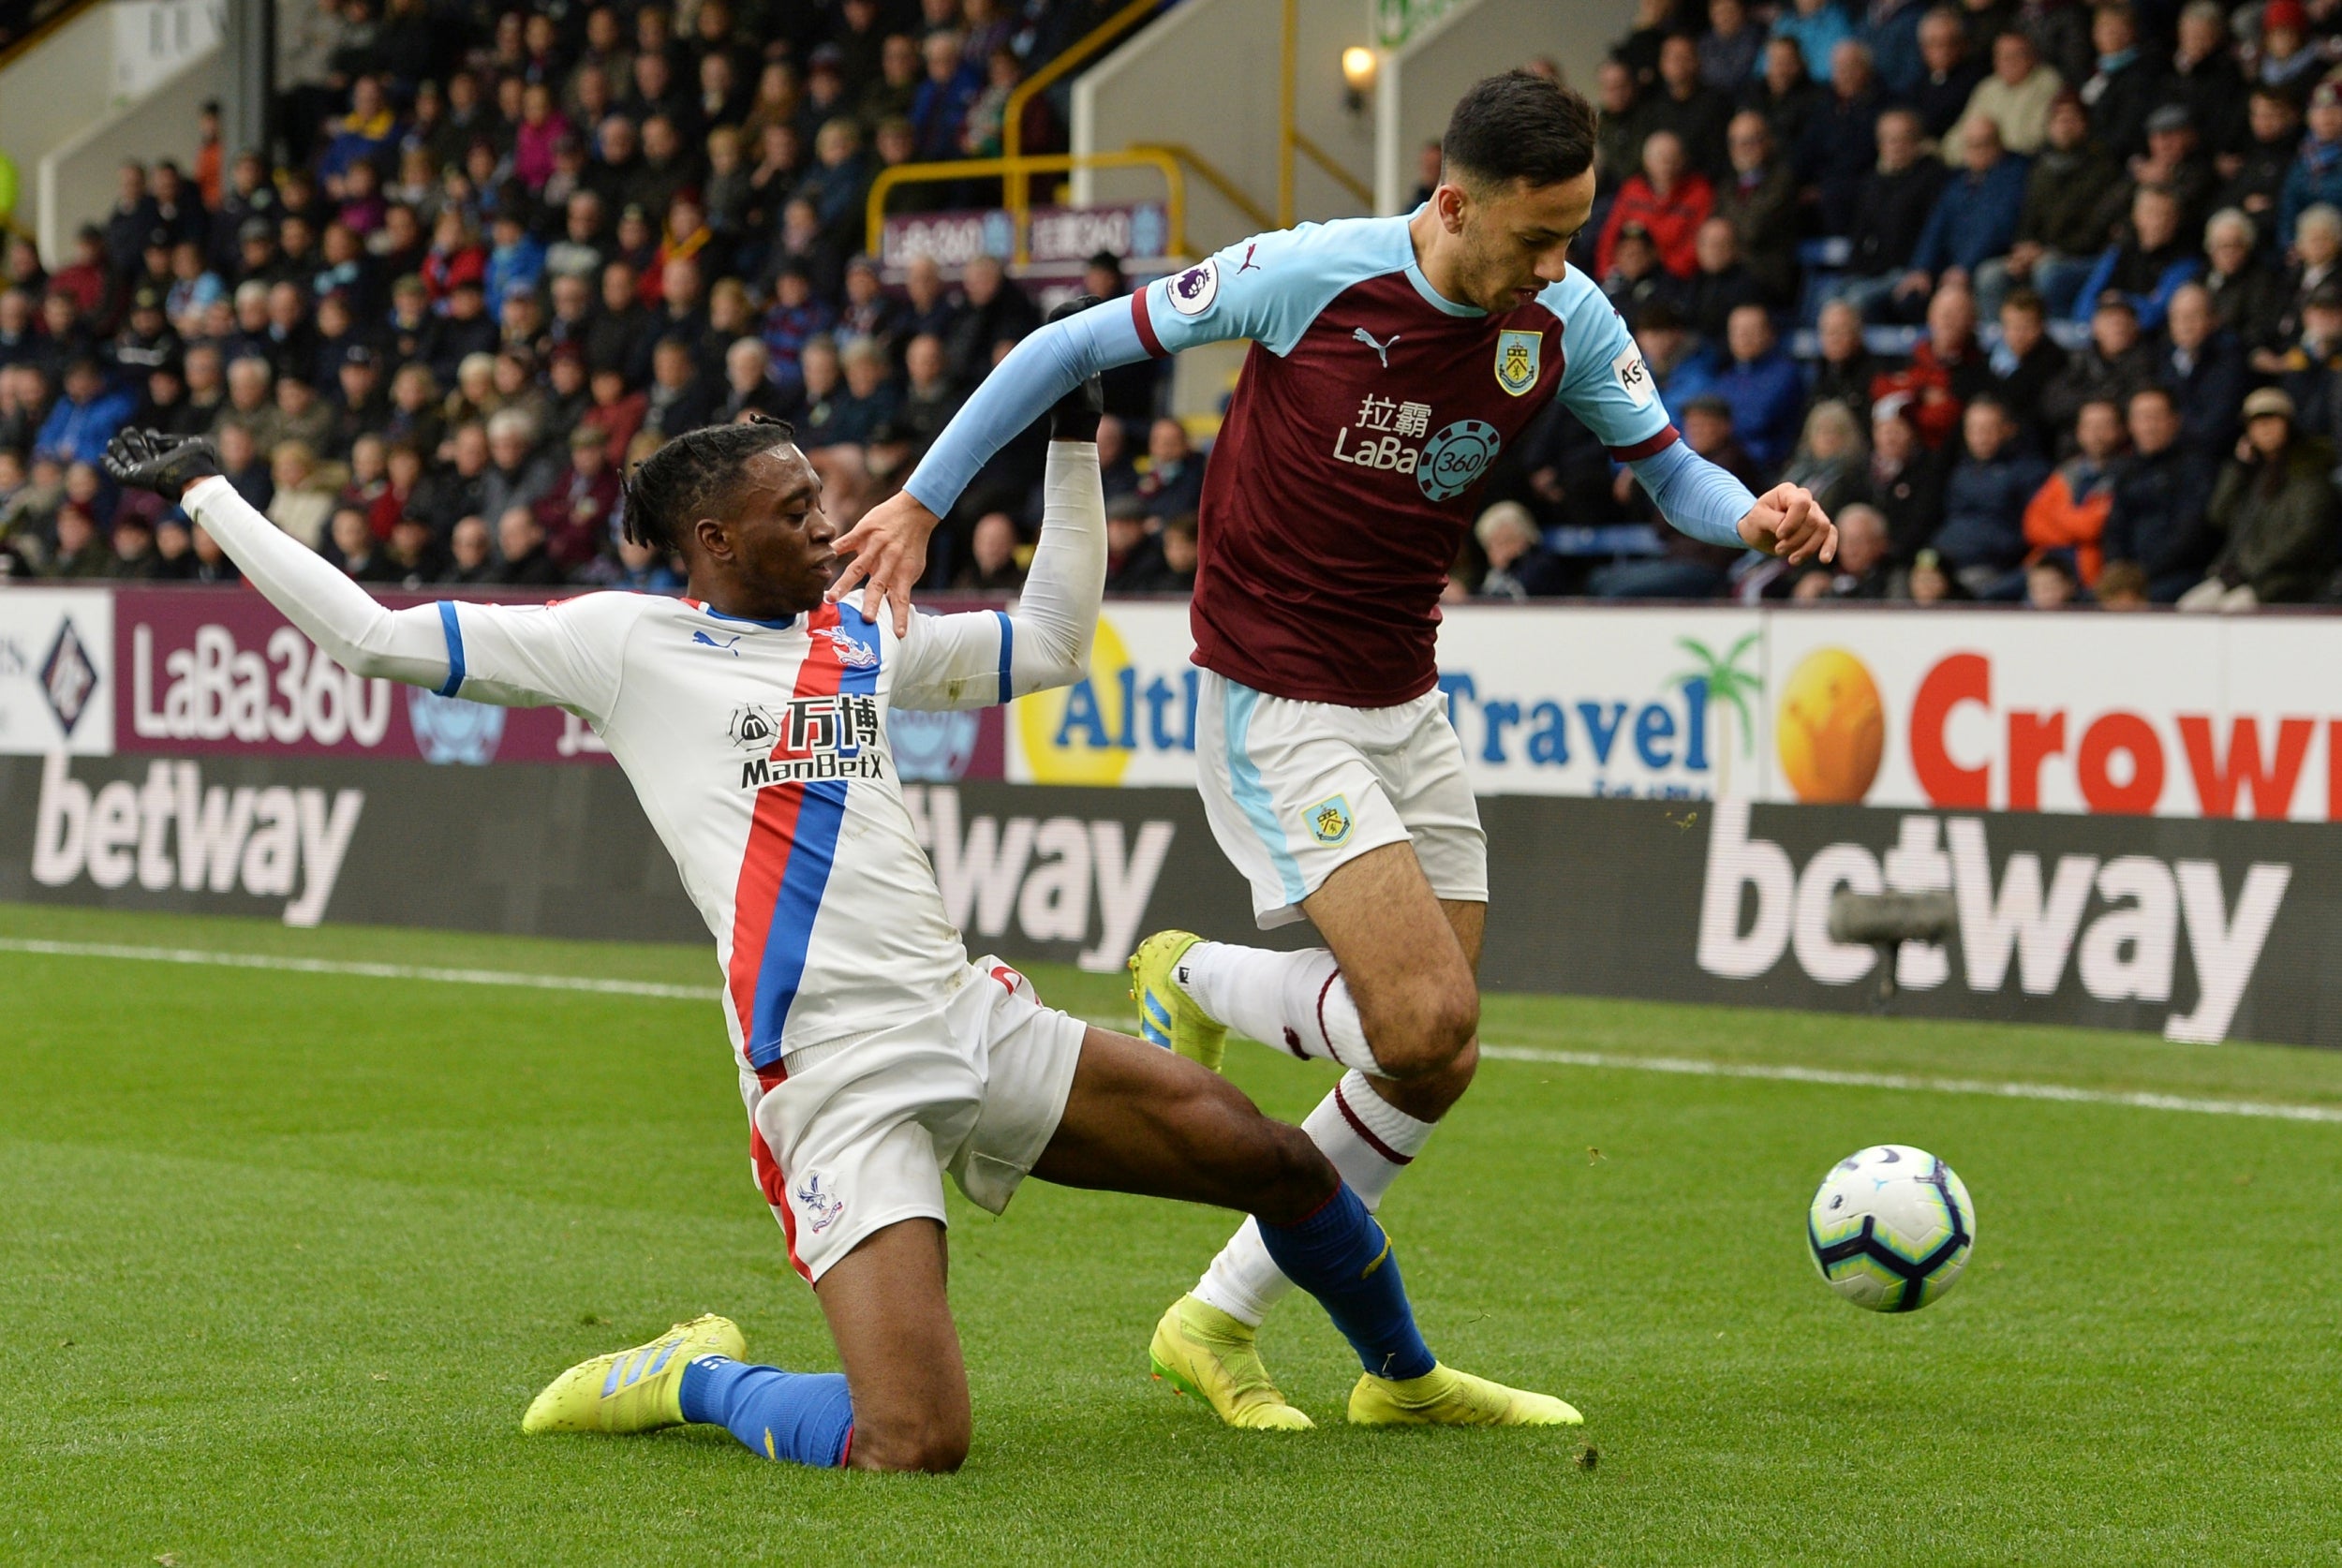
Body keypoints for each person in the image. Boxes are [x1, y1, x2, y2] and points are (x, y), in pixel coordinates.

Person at [102, 368, 1571, 1475]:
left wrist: (1073, 443)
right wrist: (208, 493)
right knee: (911, 1440)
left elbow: (1052, 644)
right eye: (802, 510)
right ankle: (689, 1378)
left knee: (1275, 1159)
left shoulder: (856, 627)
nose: (833, 522)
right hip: (830, 1073)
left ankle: (1408, 1373)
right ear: (714, 533)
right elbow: (368, 631)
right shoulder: (620, 645)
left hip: (963, 1013)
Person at [824, 72, 1836, 1431]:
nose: (1557, 264)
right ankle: (1204, 979)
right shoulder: (1310, 275)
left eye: (1575, 233)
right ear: (1453, 201)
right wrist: (922, 500)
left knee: (1435, 1057)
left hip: (1402, 698)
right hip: (1274, 699)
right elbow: (1068, 348)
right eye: (1535, 236)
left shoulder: (1566, 317)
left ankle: (1215, 1315)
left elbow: (1668, 472)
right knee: (1423, 1019)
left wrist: (1751, 512)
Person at [2179, 386, 2340, 610]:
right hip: (2245, 575)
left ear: (2289, 424)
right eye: (2256, 423)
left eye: (2272, 421)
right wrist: (2237, 470)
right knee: (2189, 607)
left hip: (2289, 578)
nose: (2265, 429)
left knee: (2233, 610)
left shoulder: (2309, 473)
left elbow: (2304, 536)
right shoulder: (2253, 474)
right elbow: (2219, 516)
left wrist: (2248, 567)